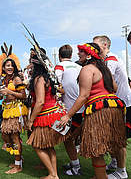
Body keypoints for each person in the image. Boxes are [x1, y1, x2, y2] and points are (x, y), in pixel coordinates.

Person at [60, 43, 126, 179]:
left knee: (96, 148)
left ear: (89, 55)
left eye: (82, 52)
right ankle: (119, 172)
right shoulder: (105, 69)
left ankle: (101, 177)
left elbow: (83, 95)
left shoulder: (87, 69)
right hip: (114, 108)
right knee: (116, 143)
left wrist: (68, 115)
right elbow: (114, 88)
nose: (79, 54)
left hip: (99, 110)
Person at [93, 36, 131, 178]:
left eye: (96, 45)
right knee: (113, 136)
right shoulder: (106, 60)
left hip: (124, 103)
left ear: (105, 45)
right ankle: (115, 161)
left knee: (119, 138)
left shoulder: (110, 59)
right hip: (117, 103)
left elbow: (105, 80)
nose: (93, 47)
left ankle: (121, 171)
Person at [26, 52, 67, 179]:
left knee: (37, 145)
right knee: (49, 145)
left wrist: (30, 120)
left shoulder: (40, 79)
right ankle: (53, 174)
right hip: (55, 114)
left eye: (31, 62)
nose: (29, 65)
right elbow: (61, 91)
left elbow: (40, 102)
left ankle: (53, 174)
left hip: (45, 116)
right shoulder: (49, 77)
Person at [0, 44, 27, 174]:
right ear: (3, 67)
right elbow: (3, 94)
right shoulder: (4, 79)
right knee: (5, 135)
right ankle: (19, 158)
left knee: (14, 137)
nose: (9, 67)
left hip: (16, 111)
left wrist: (10, 92)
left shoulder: (16, 79)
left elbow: (23, 96)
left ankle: (18, 165)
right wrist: (0, 94)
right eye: (7, 65)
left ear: (14, 67)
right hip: (7, 110)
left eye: (11, 65)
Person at [54, 44, 83, 176]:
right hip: (81, 107)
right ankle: (74, 162)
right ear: (71, 56)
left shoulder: (59, 66)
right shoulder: (80, 67)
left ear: (60, 56)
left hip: (68, 110)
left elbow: (57, 86)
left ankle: (76, 166)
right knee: (72, 138)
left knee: (67, 139)